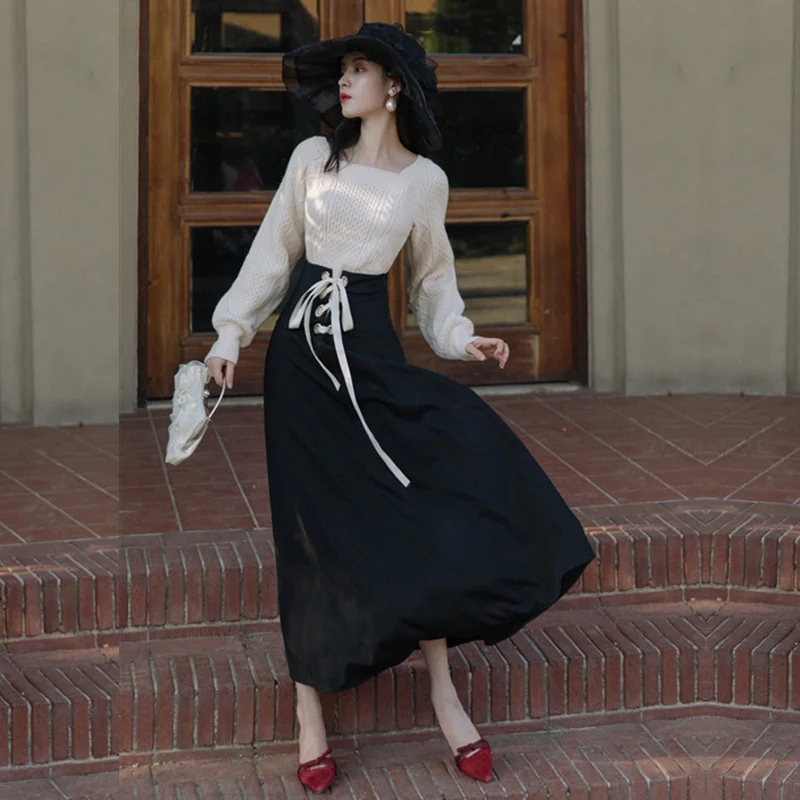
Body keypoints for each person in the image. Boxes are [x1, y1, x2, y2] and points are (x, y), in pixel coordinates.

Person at [204, 22, 596, 793]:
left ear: (393, 88)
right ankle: (309, 713)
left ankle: (445, 694)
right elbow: (273, 252)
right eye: (342, 70)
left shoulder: (424, 181)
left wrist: (463, 338)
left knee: (415, 509)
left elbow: (432, 283)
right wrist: (229, 333)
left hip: (372, 357)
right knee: (310, 529)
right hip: (300, 364)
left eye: (360, 70)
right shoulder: (312, 158)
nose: (344, 81)